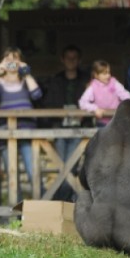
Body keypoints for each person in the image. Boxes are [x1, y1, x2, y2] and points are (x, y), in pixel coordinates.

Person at [37, 44, 91, 202]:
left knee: (70, 169)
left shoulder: (85, 81)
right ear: (62, 59)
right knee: (62, 168)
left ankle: (60, 202)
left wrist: (84, 115)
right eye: (68, 58)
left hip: (78, 130)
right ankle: (63, 203)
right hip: (60, 129)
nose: (71, 61)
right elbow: (48, 103)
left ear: (79, 60)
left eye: (74, 58)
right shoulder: (56, 80)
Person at [0, 47, 42, 200]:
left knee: (34, 172)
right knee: (12, 176)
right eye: (8, 59)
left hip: (27, 131)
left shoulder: (26, 81)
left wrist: (27, 73)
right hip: (6, 133)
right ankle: (15, 216)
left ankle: (43, 213)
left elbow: (37, 95)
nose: (11, 62)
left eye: (15, 58)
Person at [79, 60, 130, 127]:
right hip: (101, 122)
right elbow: (82, 102)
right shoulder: (93, 87)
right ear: (96, 75)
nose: (108, 75)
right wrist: (95, 109)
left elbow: (126, 95)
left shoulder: (114, 83)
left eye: (109, 72)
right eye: (104, 73)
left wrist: (126, 106)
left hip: (117, 120)